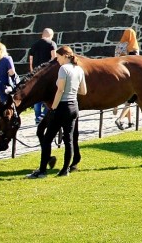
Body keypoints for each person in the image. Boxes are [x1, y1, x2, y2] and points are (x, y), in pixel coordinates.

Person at [27, 45, 87, 179]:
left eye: (58, 57)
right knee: (69, 139)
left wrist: (53, 108)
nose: (57, 60)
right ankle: (65, 170)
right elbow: (83, 91)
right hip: (74, 106)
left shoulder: (63, 69)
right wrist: (72, 89)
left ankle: (42, 171)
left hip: (62, 107)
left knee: (47, 138)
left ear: (65, 56)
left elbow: (60, 90)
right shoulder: (79, 69)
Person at [28, 28, 57, 124]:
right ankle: (44, 115)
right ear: (51, 35)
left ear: (42, 34)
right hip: (47, 73)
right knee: (49, 95)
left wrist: (32, 73)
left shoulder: (34, 45)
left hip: (36, 74)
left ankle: (37, 117)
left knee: (37, 96)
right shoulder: (52, 44)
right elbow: (54, 58)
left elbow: (31, 60)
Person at [113, 28, 140, 130]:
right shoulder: (133, 47)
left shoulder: (119, 45)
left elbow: (115, 58)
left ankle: (130, 121)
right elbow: (136, 63)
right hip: (130, 75)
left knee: (128, 98)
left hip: (118, 71)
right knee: (131, 97)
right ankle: (120, 119)